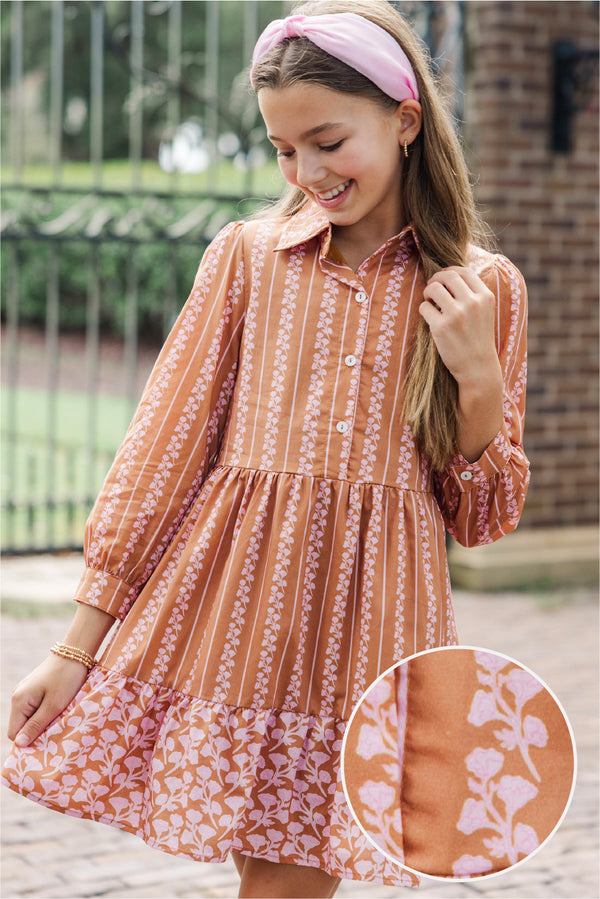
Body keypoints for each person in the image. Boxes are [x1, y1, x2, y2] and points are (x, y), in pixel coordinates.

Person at [2, 2, 530, 897]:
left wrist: (477, 380)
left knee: (288, 879)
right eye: (286, 151)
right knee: (275, 875)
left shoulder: (482, 289)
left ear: (405, 120)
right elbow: (161, 451)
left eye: (328, 140)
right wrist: (79, 642)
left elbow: (482, 519)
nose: (308, 171)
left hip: (369, 633)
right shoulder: (247, 257)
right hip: (234, 621)